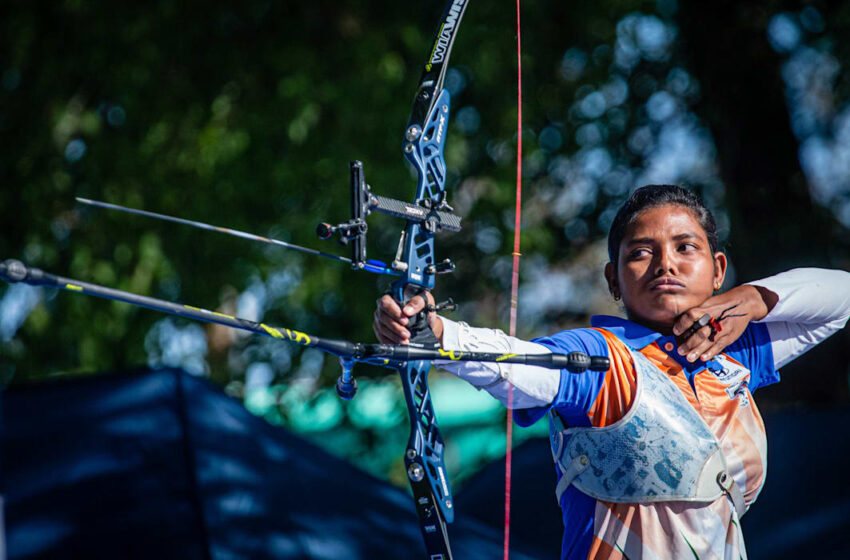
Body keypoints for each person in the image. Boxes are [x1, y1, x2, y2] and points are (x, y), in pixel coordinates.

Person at [373, 184, 850, 559]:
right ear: (613, 280)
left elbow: (841, 299)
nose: (666, 263)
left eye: (687, 247)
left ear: (717, 268)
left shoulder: (732, 351)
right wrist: (437, 336)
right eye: (640, 252)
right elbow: (520, 368)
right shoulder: (601, 357)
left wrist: (753, 298)